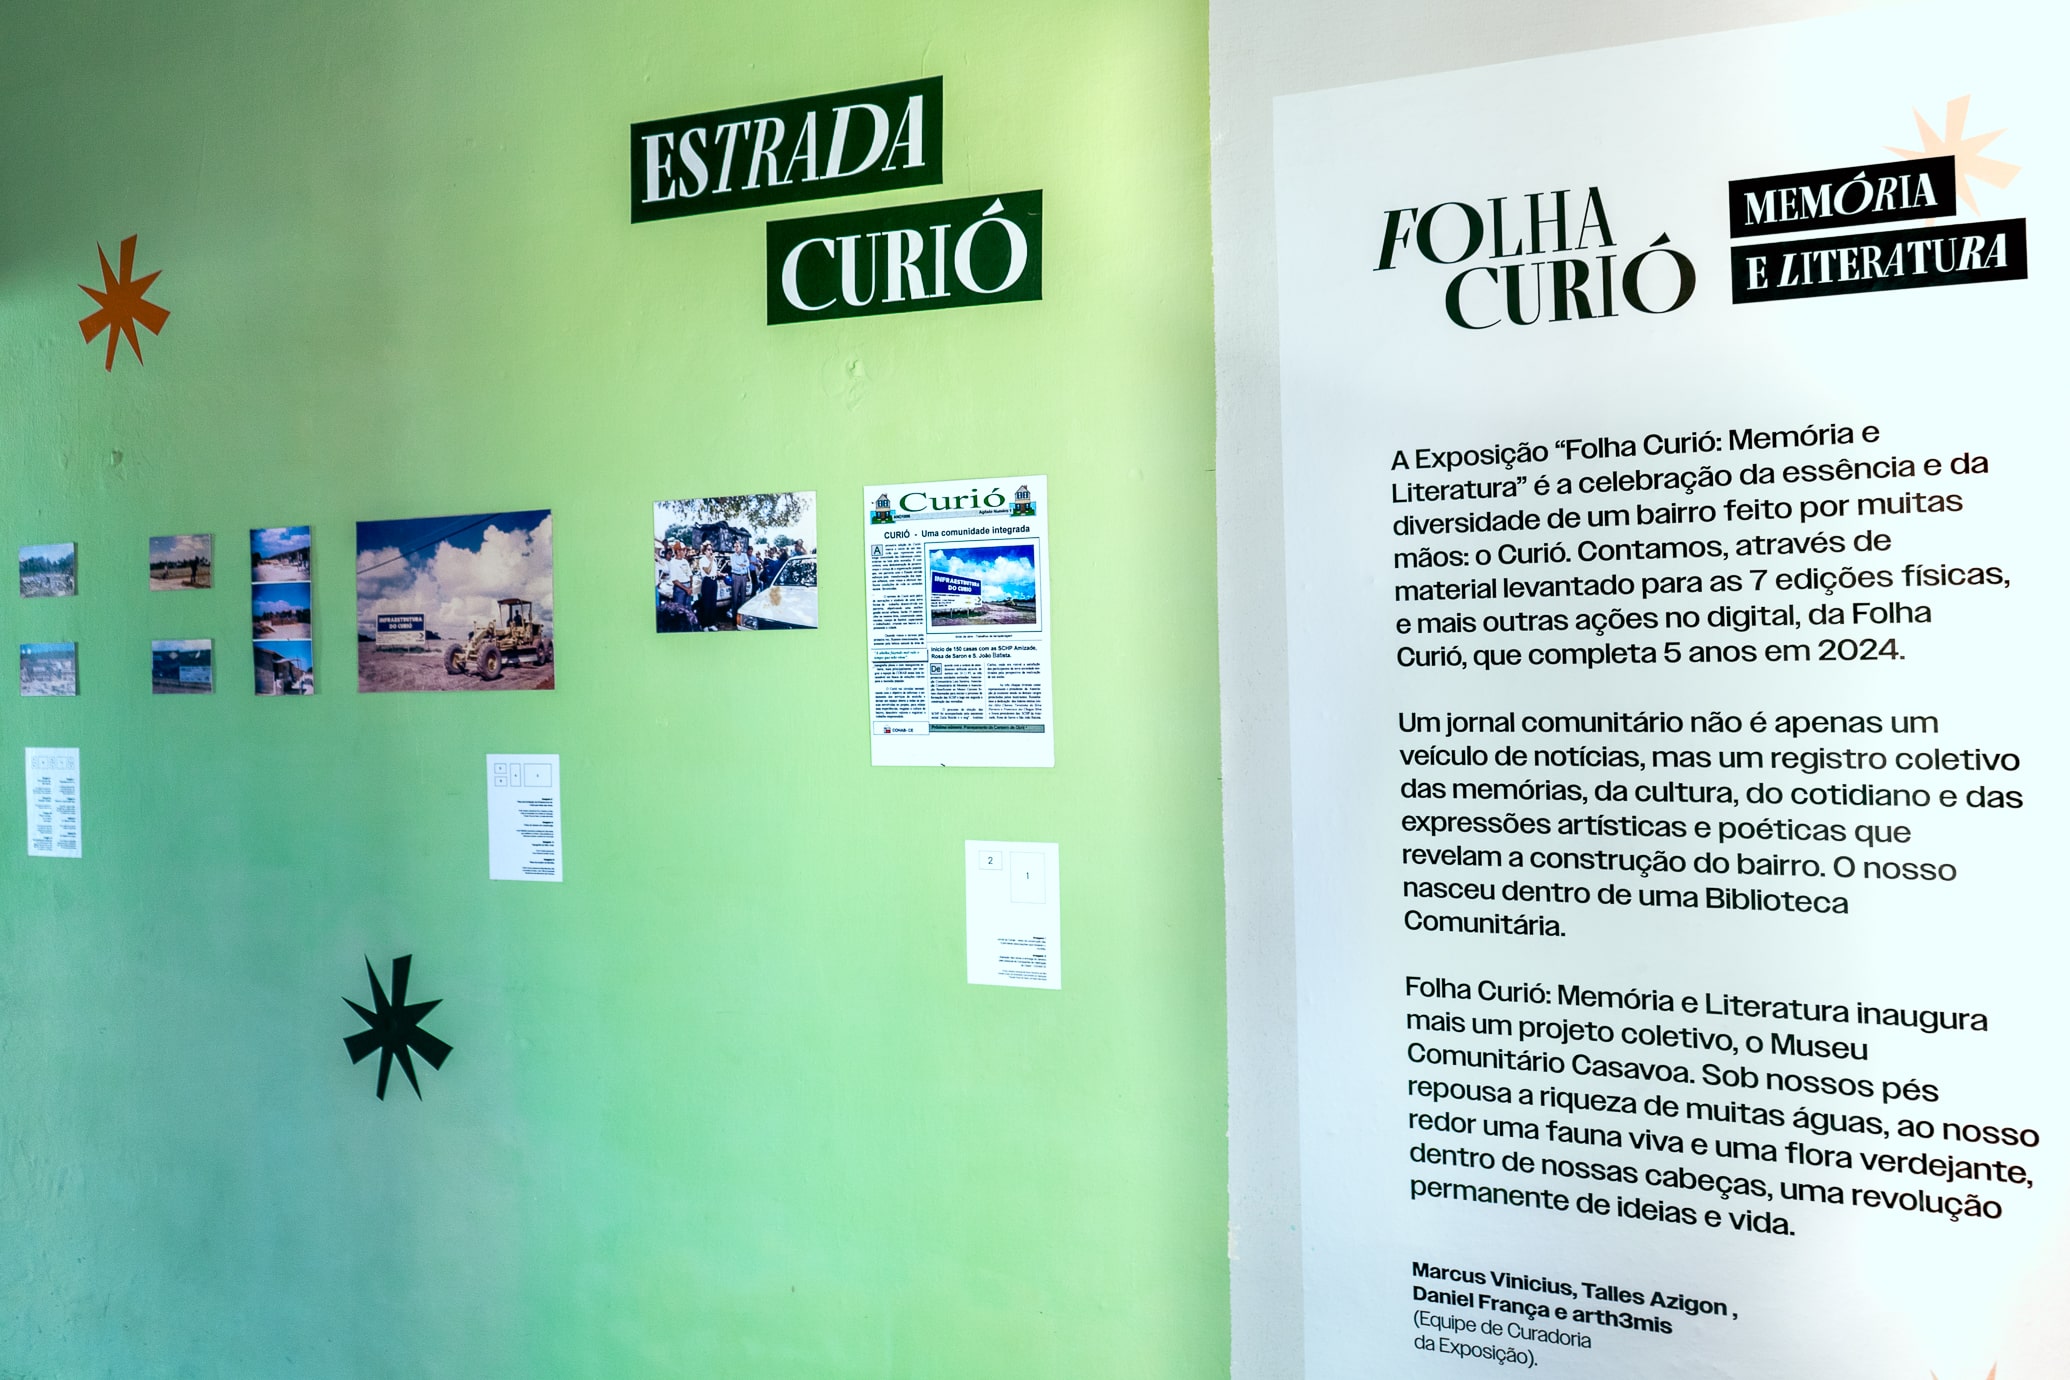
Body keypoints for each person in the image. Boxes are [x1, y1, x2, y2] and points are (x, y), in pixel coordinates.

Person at [694, 541, 725, 629]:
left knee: (713, 603)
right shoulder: (702, 560)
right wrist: (711, 561)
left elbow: (714, 571)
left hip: (714, 581)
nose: (711, 551)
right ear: (704, 551)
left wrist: (721, 574)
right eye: (708, 549)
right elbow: (707, 571)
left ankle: (711, 624)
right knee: (706, 604)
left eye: (711, 549)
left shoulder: (713, 560)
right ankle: (705, 625)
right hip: (707, 581)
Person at [729, 538, 754, 618]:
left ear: (741, 547)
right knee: (735, 598)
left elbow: (747, 564)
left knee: (743, 597)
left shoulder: (744, 555)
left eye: (737, 546)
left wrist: (741, 565)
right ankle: (734, 617)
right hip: (736, 577)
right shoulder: (732, 556)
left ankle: (742, 617)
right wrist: (742, 565)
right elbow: (734, 566)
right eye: (734, 547)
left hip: (743, 577)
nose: (736, 548)